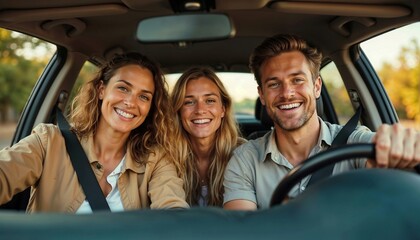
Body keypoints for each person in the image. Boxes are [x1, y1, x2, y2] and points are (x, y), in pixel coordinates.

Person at [223, 34, 420, 210]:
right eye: (274, 84)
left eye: (297, 80)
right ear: (262, 95)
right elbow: (243, 229)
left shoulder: (356, 142)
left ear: (317, 86)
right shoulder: (244, 160)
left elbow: (384, 154)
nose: (287, 93)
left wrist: (403, 149)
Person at [0, 52, 189, 213]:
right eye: (123, 88)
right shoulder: (49, 141)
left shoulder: (155, 160)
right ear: (101, 90)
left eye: (143, 96)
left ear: (150, 107)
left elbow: (173, 209)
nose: (131, 102)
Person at [171, 67, 245, 207]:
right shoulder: (165, 157)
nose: (200, 110)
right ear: (179, 111)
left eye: (210, 100)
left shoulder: (244, 154)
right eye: (189, 102)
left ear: (223, 109)